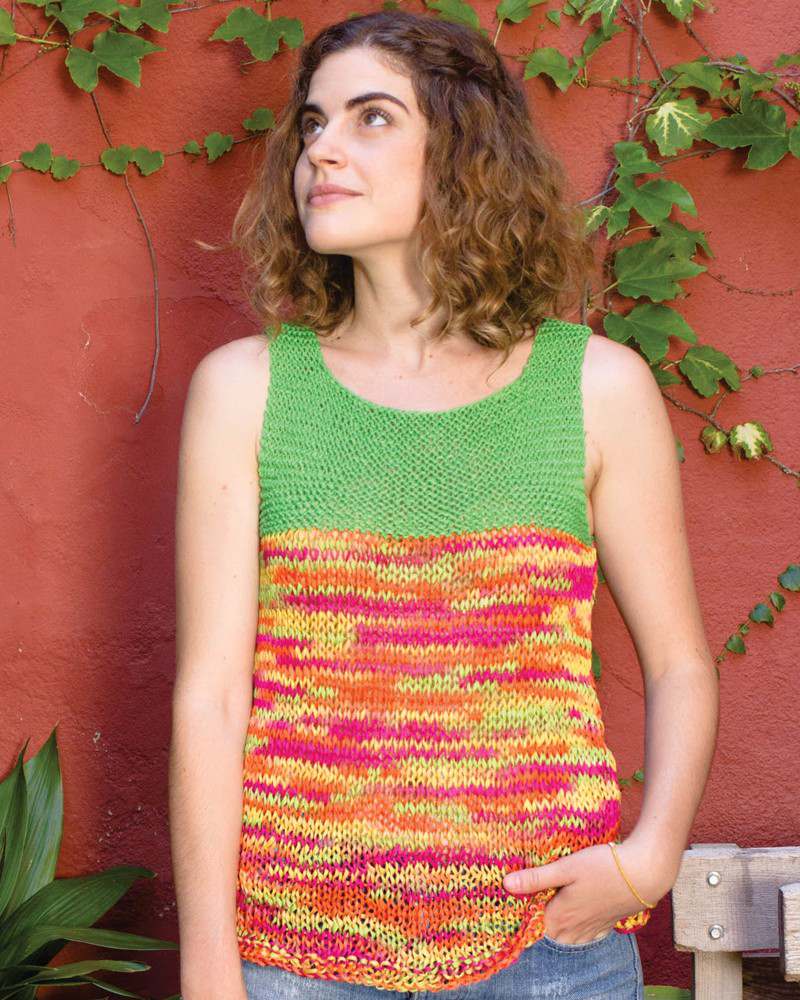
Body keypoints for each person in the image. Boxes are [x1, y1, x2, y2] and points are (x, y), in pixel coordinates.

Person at [169, 10, 719, 1000]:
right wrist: (209, 967)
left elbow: (679, 662)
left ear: (463, 150)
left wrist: (649, 857)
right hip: (296, 957)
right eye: (312, 123)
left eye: (370, 117)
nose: (321, 149)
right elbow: (209, 698)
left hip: (550, 951)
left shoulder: (595, 388)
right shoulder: (247, 390)